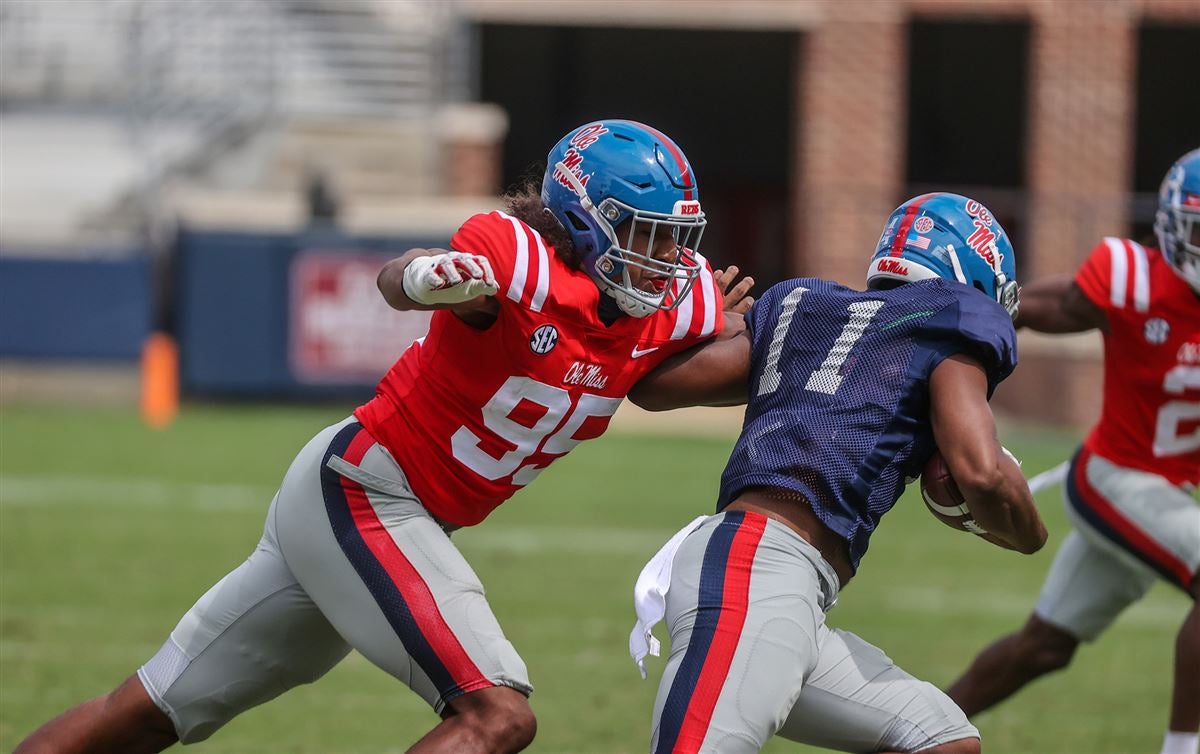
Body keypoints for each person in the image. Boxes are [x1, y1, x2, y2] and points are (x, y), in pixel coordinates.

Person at [14, 120, 752, 754]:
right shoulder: (514, 263)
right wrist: (429, 275)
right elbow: (399, 281)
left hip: (376, 511)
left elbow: (654, 374)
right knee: (496, 714)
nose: (664, 257)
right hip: (365, 494)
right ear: (585, 221)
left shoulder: (668, 307)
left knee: (150, 714)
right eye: (644, 233)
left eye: (674, 238)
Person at [626, 192, 1047, 754]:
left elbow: (655, 387)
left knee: (942, 740)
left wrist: (699, 327)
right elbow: (983, 472)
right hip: (758, 573)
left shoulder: (806, 305)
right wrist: (1029, 533)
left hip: (779, 584)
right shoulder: (954, 321)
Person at [946, 149, 1200, 754]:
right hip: (1116, 478)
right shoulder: (1135, 279)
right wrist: (957, 356)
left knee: (1043, 648)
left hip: (1164, 493)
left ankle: (914, 734)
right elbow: (1026, 308)